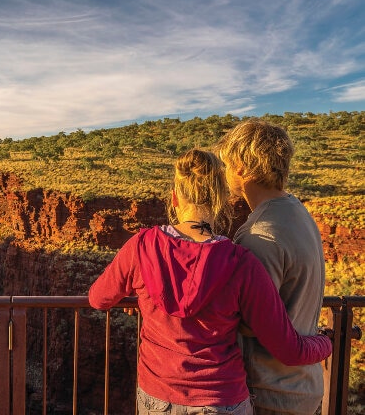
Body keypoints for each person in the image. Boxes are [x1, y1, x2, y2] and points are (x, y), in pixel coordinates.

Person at [88, 148, 331, 415]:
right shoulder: (241, 263)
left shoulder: (142, 246)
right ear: (222, 200)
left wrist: (140, 296)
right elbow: (289, 350)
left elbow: (98, 299)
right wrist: (326, 342)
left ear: (174, 199)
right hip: (221, 400)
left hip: (157, 398)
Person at [217, 120, 326, 414]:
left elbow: (254, 322)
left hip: (271, 393)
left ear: (241, 166)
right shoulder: (296, 210)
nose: (225, 172)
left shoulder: (260, 235)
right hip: (304, 385)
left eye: (227, 164)